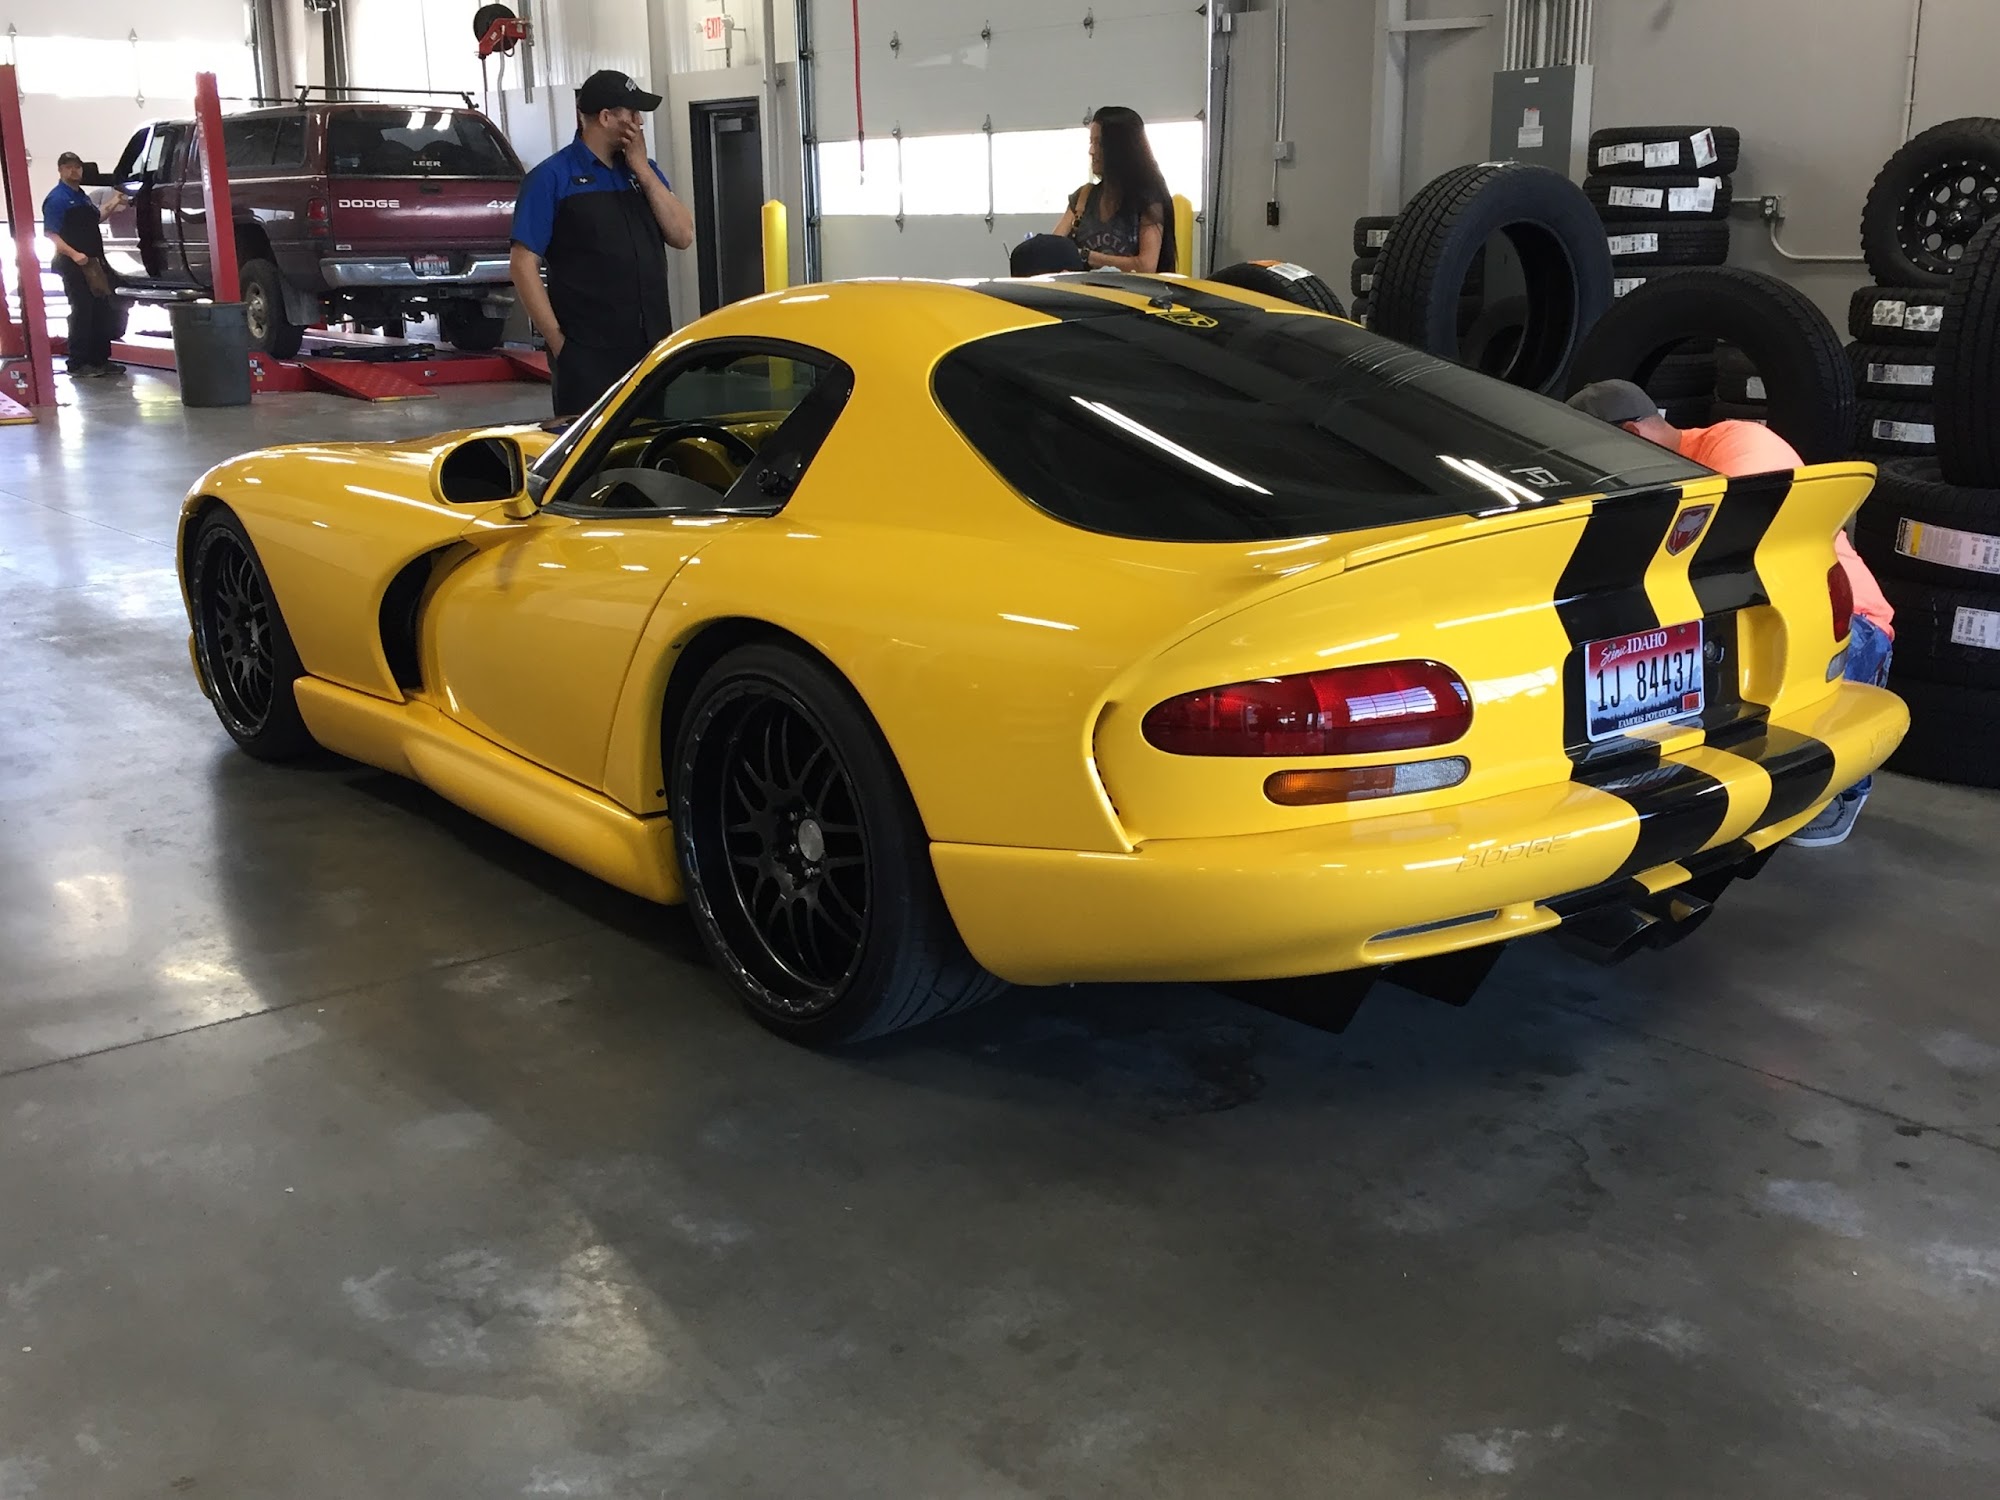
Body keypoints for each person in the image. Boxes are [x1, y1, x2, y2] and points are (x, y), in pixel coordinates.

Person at [1566, 380, 1894, 847]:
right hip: (1739, 626)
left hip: (1837, 622)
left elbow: (1738, 547)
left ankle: (1846, 789)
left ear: (1632, 436)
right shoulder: (1656, 480)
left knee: (1809, 763)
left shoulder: (1741, 445)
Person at [510, 70, 696, 416]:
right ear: (606, 117)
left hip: (650, 348)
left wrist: (643, 170)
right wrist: (560, 345)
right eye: (633, 114)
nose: (640, 123)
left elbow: (682, 235)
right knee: (591, 446)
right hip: (588, 353)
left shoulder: (643, 173)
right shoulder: (552, 178)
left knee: (646, 441)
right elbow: (523, 264)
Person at [1052, 106, 1177, 275]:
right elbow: (1053, 249)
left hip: (1132, 292)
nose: (1092, 151)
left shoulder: (1148, 202)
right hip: (1082, 291)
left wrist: (1086, 256)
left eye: (1100, 143)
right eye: (1091, 142)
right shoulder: (1082, 198)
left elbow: (1145, 266)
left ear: (1121, 148)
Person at [43, 151, 126, 379]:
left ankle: (100, 360)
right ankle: (78, 363)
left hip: (93, 263)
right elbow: (51, 233)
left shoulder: (82, 197)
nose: (74, 171)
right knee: (82, 311)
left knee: (101, 309)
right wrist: (74, 254)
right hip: (74, 264)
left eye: (77, 167)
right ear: (60, 170)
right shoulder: (57, 199)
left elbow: (95, 218)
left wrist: (115, 201)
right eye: (68, 167)